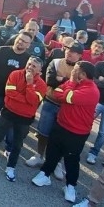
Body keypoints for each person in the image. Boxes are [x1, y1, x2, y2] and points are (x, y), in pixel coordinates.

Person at [31, 61, 100, 203]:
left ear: (83, 74)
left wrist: (71, 83)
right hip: (61, 124)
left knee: (71, 160)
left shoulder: (92, 90)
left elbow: (67, 97)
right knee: (52, 152)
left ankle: (70, 186)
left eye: (76, 70)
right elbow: (57, 92)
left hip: (77, 132)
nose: (72, 71)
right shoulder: (74, 83)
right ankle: (45, 174)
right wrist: (70, 86)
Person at [0, 58, 46, 182]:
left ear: (40, 70)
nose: (30, 67)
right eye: (29, 64)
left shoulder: (42, 85)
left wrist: (29, 84)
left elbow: (34, 101)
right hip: (9, 112)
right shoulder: (15, 74)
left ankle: (11, 168)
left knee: (17, 144)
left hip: (24, 118)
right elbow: (10, 93)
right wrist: (26, 99)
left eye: (34, 66)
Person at [25, 40, 84, 170]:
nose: (69, 53)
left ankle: (56, 162)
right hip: (50, 102)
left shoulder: (82, 69)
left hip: (67, 107)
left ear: (80, 55)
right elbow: (50, 81)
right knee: (43, 132)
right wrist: (70, 81)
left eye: (73, 51)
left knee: (60, 136)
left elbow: (80, 89)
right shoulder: (56, 62)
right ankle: (39, 155)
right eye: (68, 49)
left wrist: (61, 79)